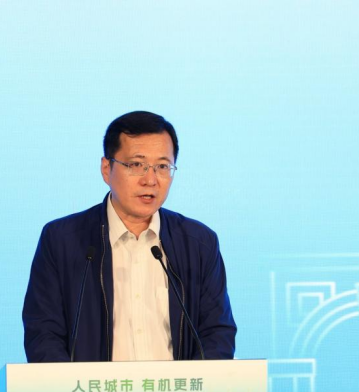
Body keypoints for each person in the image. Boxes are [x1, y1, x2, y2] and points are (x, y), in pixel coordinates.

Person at [22, 111, 236, 363]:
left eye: (162, 166)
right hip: (93, 389)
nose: (150, 179)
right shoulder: (62, 241)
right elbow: (43, 334)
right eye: (136, 165)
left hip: (176, 390)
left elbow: (217, 333)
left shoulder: (198, 243)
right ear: (106, 169)